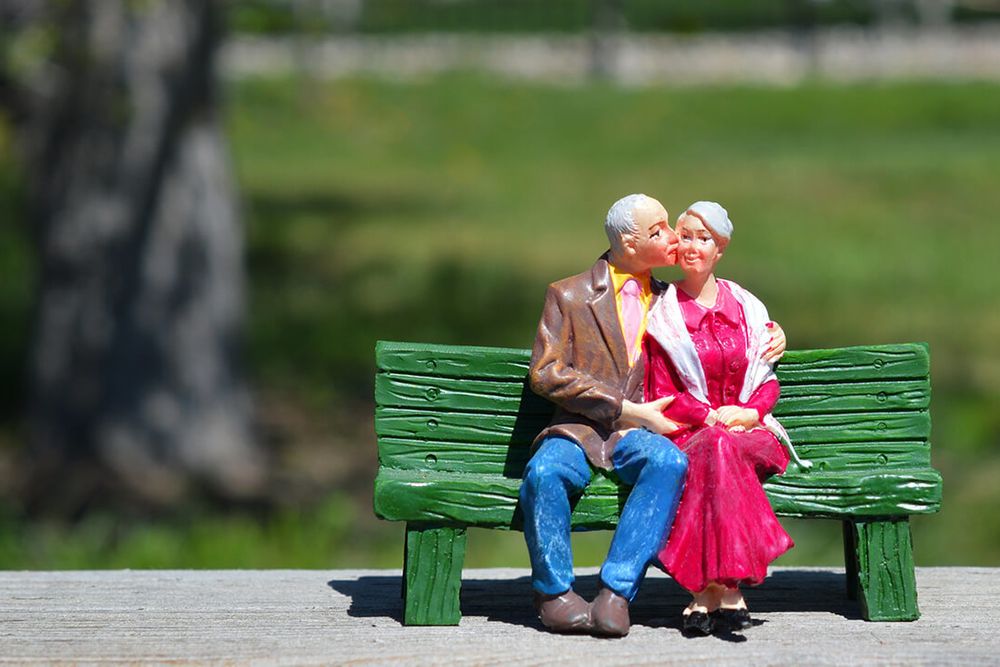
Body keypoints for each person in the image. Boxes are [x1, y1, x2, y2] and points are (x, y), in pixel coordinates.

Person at [521, 194, 786, 638]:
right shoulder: (568, 295)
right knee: (545, 473)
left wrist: (776, 334)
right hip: (579, 427)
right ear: (628, 243)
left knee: (667, 463)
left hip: (639, 434)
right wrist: (623, 408)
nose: (674, 240)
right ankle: (555, 594)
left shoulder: (670, 301)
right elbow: (545, 373)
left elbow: (726, 324)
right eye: (659, 231)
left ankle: (617, 592)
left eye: (672, 229)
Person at [642, 201, 802, 637]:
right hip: (692, 433)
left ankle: (701, 593)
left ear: (720, 249)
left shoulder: (748, 308)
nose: (693, 246)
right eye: (686, 235)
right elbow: (661, 393)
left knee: (723, 448)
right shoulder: (663, 314)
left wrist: (750, 412)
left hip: (752, 435)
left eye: (703, 238)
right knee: (714, 447)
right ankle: (726, 589)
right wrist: (709, 415)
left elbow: (767, 380)